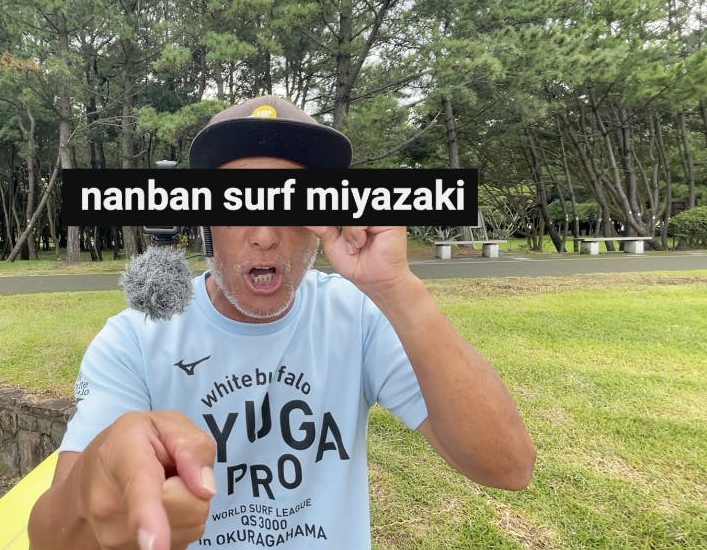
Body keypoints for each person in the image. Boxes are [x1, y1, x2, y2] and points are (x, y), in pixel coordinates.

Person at [28, 95, 536, 550]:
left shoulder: (358, 315)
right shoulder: (134, 340)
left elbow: (509, 466)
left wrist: (398, 289)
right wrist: (100, 475)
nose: (266, 235)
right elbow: (50, 539)